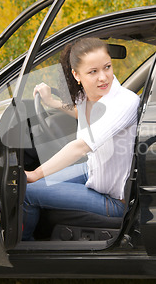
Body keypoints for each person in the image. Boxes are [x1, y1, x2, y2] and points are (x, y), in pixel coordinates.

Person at [22, 37, 140, 241]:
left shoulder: (125, 102)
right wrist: (52, 102)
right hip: (93, 171)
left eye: (107, 67)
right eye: (93, 72)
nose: (103, 77)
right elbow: (82, 112)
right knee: (29, 186)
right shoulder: (87, 95)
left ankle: (24, 251)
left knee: (27, 193)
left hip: (114, 199)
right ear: (76, 75)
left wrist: (35, 173)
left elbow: (81, 147)